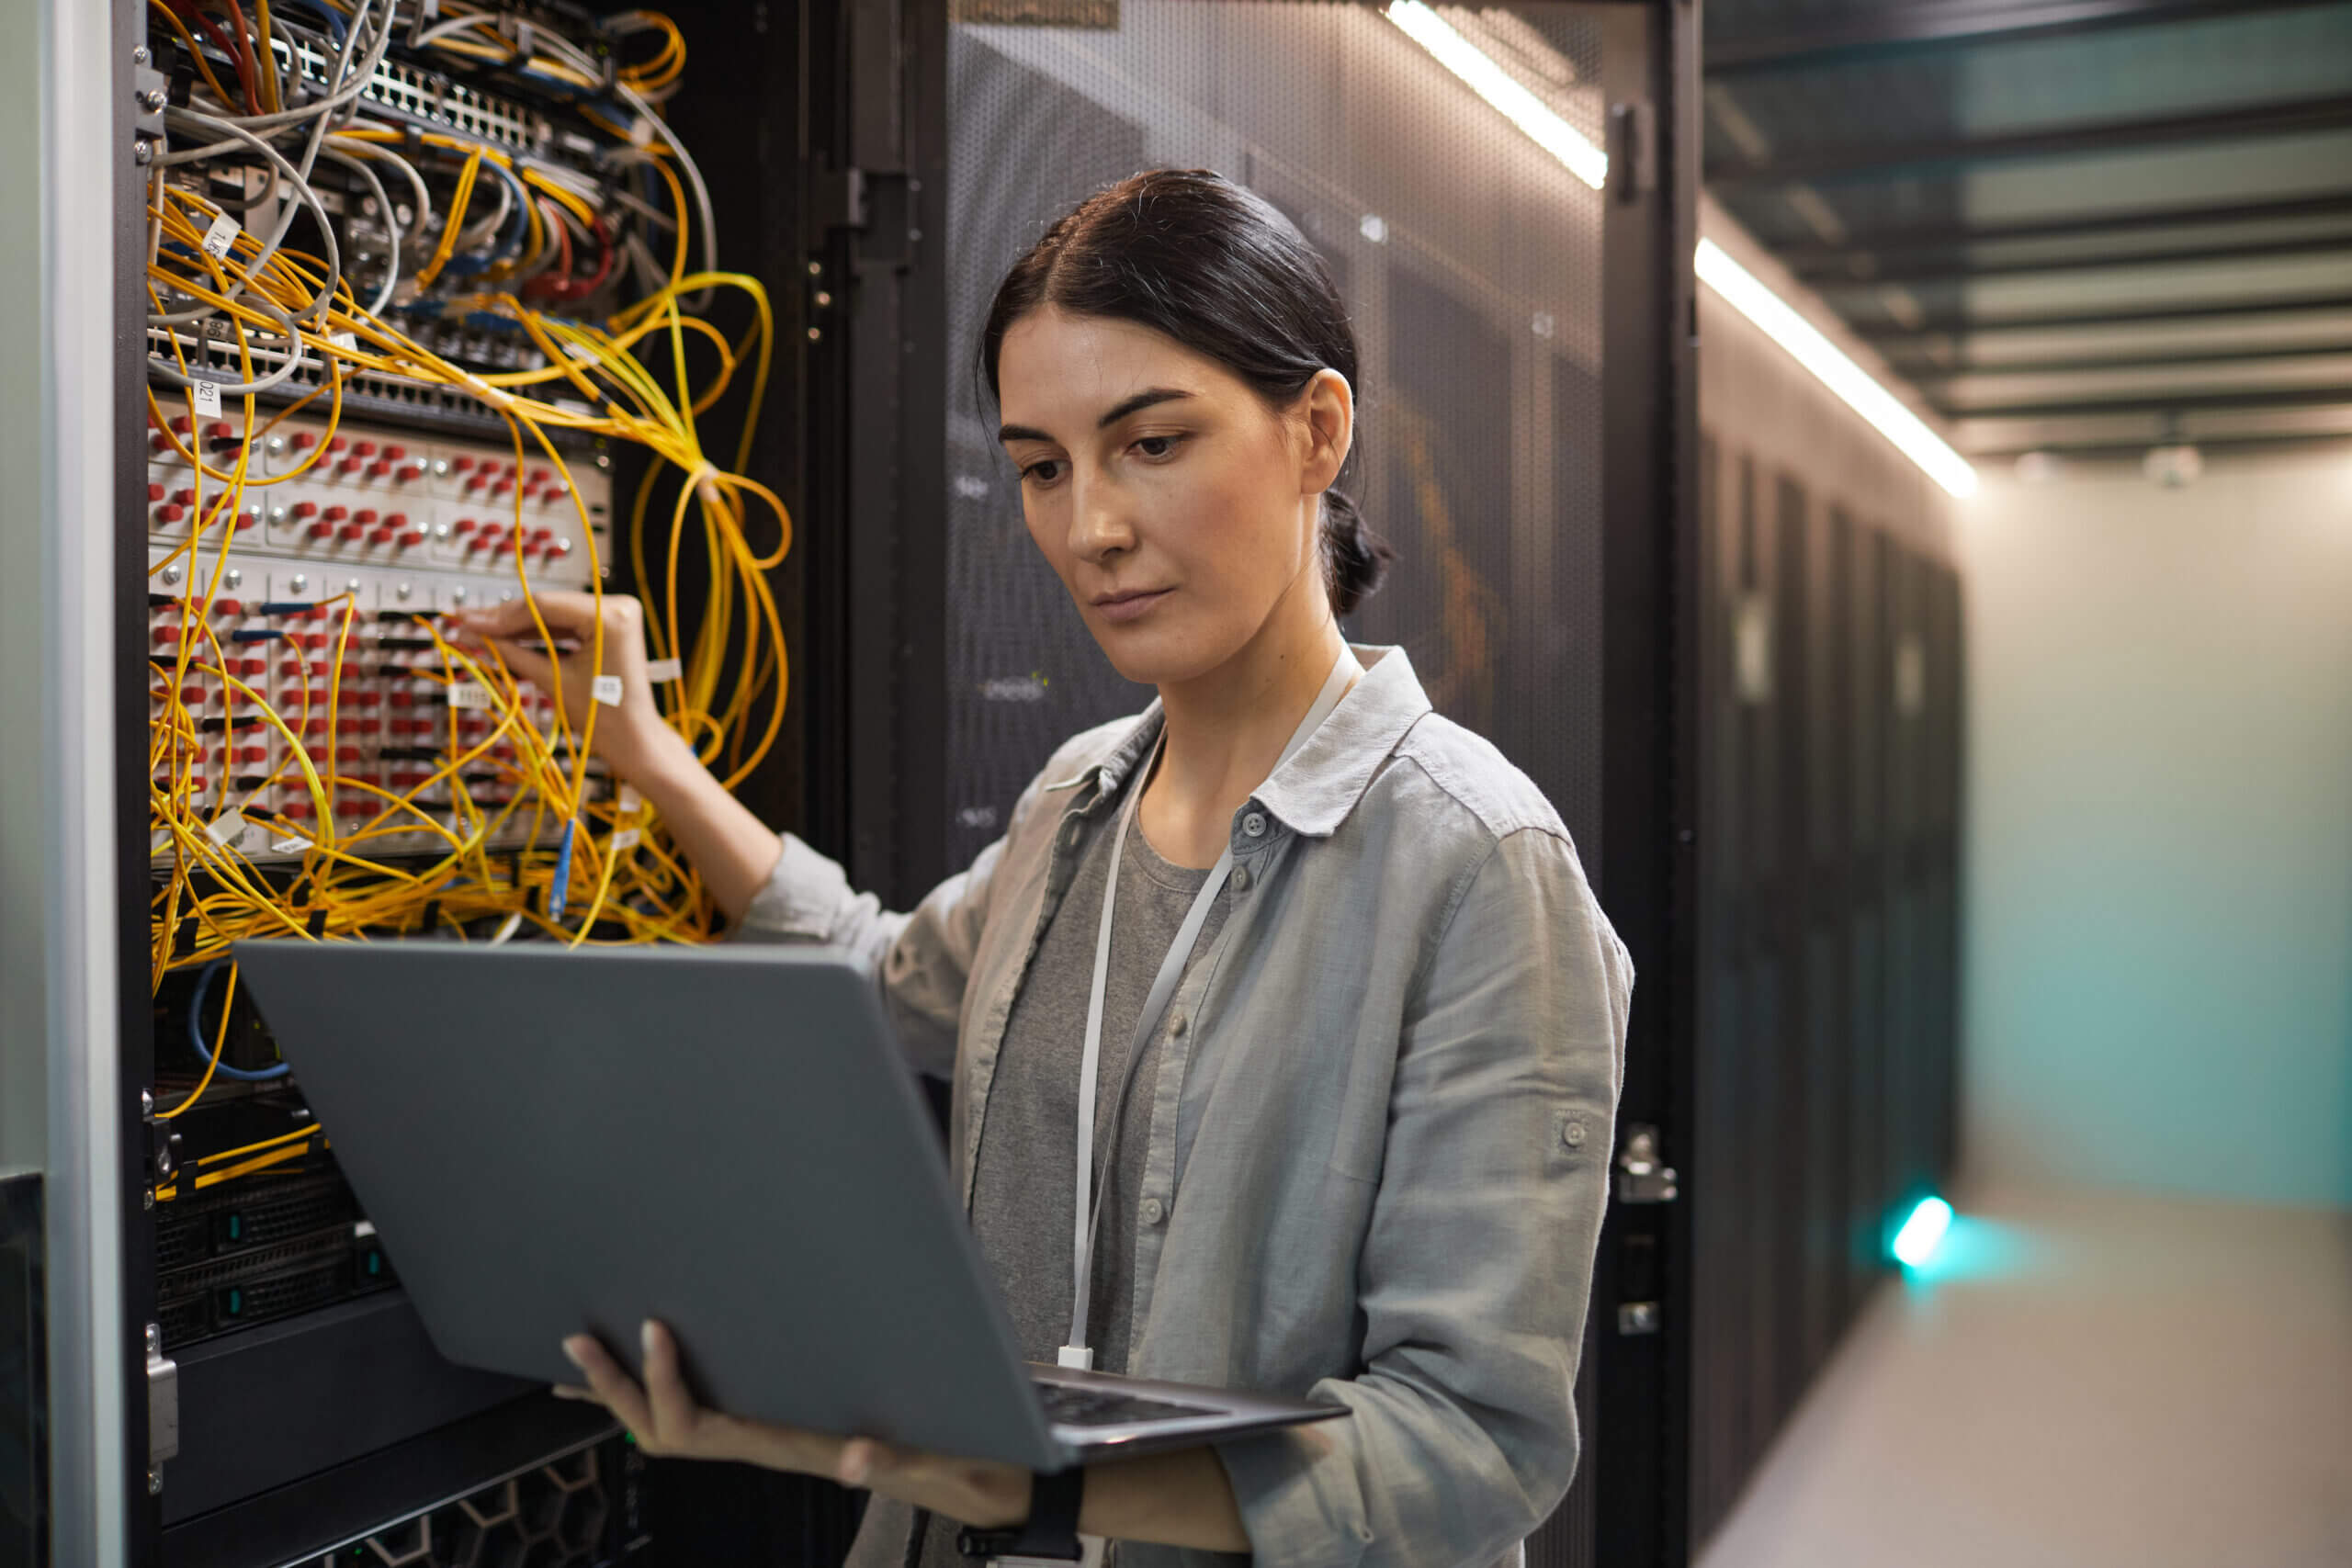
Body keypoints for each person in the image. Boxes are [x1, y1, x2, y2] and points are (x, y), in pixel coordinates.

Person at [449, 168, 1630, 1568]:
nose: (1090, 530)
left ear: (1317, 431)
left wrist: (1033, 1485)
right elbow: (879, 978)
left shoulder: (1477, 866)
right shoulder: (1078, 801)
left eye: (1152, 444)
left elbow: (1469, 1447)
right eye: (1043, 467)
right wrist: (650, 761)